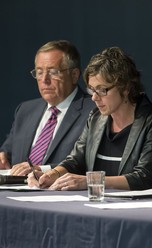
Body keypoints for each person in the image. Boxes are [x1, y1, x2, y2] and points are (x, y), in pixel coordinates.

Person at [27, 46, 152, 191]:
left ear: (126, 87)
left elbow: (146, 176)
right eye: (91, 89)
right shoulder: (95, 118)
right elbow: (76, 159)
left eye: (102, 90)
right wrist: (52, 174)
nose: (94, 97)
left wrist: (92, 181)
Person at [0, 40, 96, 175]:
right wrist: (2, 156)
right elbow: (7, 153)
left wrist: (40, 169)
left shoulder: (94, 110)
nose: (44, 79)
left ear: (74, 75)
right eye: (39, 72)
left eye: (53, 72)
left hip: (63, 192)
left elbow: (88, 162)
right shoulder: (25, 110)